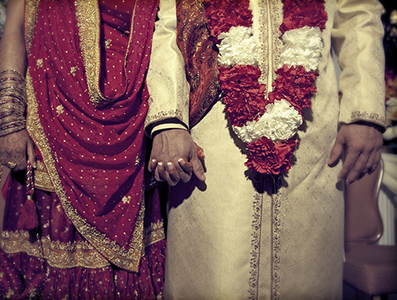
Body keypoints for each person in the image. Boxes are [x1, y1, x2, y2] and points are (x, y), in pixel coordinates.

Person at [149, 0, 386, 299]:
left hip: (309, 138)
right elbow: (169, 27)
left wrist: (365, 111)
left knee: (306, 279)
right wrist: (168, 120)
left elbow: (359, 12)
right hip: (213, 139)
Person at [0, 0, 190, 298]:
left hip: (131, 124)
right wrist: (9, 118)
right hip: (52, 116)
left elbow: (167, 30)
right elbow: (15, 30)